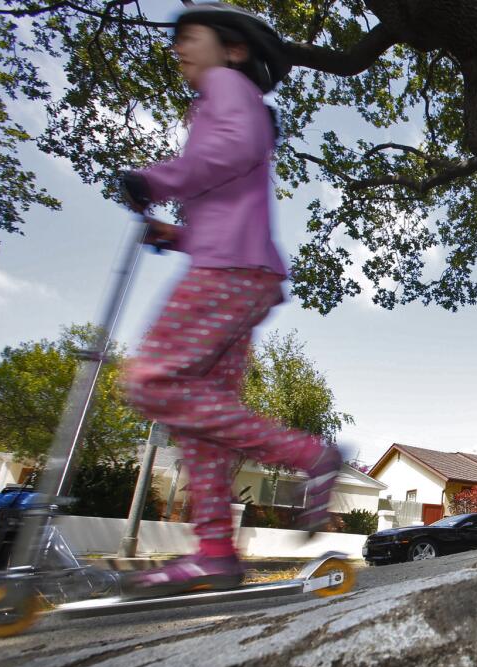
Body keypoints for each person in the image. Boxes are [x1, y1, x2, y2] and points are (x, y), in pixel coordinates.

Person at [119, 3, 340, 598]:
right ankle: (215, 553)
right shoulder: (219, 100)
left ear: (233, 49)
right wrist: (178, 234)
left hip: (229, 272)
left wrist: (155, 180)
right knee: (203, 420)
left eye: (190, 37)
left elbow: (234, 151)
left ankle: (311, 455)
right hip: (239, 267)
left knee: (151, 382)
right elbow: (230, 198)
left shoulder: (226, 86)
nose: (179, 49)